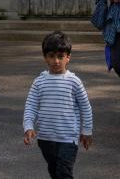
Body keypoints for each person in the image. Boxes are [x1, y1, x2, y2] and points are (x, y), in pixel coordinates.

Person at [23, 31, 93, 179]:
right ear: (45, 58)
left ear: (68, 58)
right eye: (51, 56)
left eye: (60, 57)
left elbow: (85, 107)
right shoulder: (39, 82)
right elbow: (31, 106)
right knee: (54, 170)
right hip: (45, 138)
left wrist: (87, 130)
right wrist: (28, 126)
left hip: (68, 139)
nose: (56, 61)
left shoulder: (74, 82)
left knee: (64, 173)